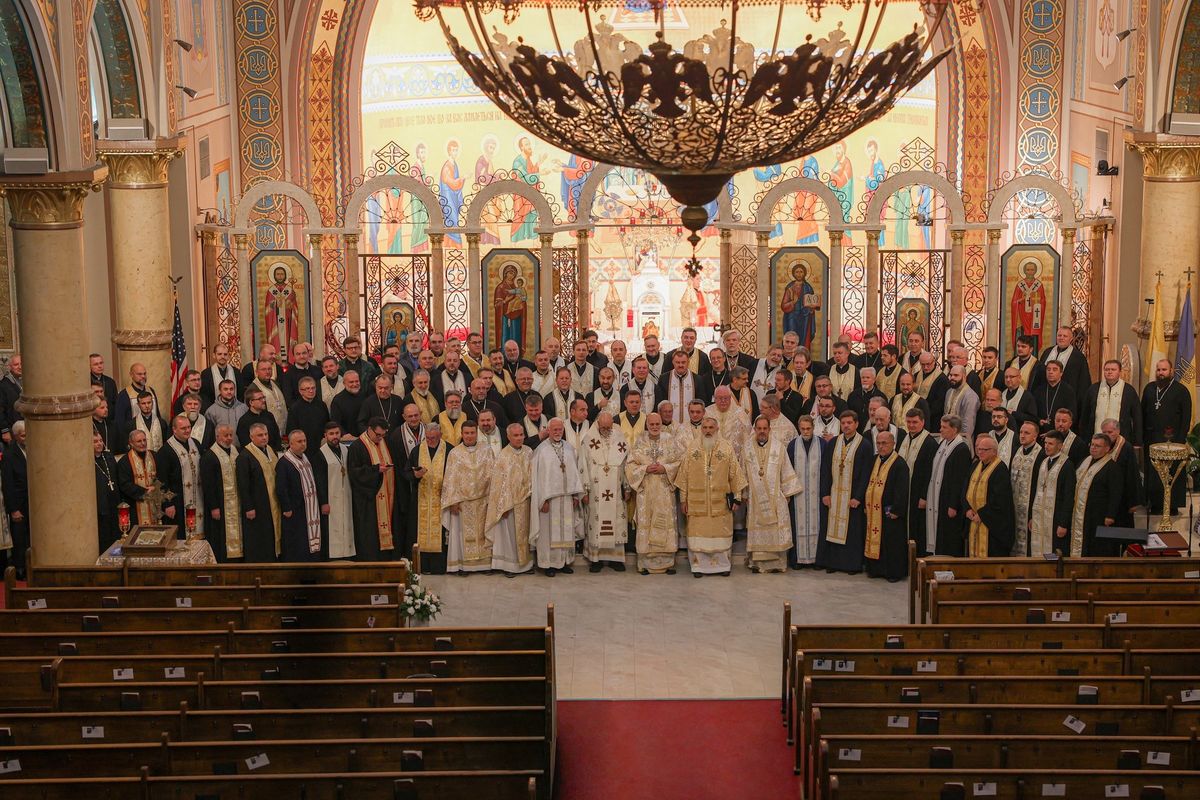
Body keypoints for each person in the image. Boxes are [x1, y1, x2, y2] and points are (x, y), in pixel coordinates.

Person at [676, 416, 747, 577]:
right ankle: (698, 567)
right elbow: (684, 476)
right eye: (705, 428)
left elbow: (735, 474)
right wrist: (683, 499)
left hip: (720, 503)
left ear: (717, 429)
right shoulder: (692, 447)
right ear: (701, 429)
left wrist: (737, 497)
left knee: (720, 534)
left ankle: (722, 566)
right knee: (698, 534)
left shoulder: (726, 447)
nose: (708, 431)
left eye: (711, 428)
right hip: (697, 503)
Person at [815, 410, 874, 574]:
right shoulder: (834, 442)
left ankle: (851, 565)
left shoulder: (865, 445)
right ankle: (833, 563)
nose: (846, 426)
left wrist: (858, 497)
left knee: (852, 531)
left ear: (856, 424)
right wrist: (825, 493)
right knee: (831, 528)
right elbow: (825, 469)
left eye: (849, 423)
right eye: (843, 423)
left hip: (852, 498)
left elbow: (866, 475)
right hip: (834, 495)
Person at [743, 416, 804, 573]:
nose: (762, 431)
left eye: (765, 428)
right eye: (759, 428)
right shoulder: (747, 448)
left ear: (770, 429)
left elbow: (786, 470)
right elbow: (742, 474)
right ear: (755, 429)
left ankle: (777, 564)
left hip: (776, 498)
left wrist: (787, 492)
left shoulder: (779, 447)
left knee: (776, 531)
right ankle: (757, 564)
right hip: (755, 498)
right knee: (758, 530)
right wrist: (742, 494)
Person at [626, 414, 680, 575]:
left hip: (664, 490)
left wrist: (665, 469)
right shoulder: (640, 440)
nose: (655, 426)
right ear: (647, 424)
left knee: (664, 523)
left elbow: (679, 461)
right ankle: (644, 564)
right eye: (652, 424)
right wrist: (644, 469)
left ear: (662, 424)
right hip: (647, 490)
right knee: (647, 524)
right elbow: (630, 464)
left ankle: (668, 563)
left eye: (657, 424)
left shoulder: (670, 439)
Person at [437, 420, 493, 574]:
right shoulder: (455, 453)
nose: (469, 436)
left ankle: (485, 565)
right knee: (461, 535)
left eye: (472, 433)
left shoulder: (487, 450)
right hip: (462, 503)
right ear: (462, 434)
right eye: (466, 433)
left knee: (483, 533)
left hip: (483, 501)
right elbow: (450, 478)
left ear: (477, 433)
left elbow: (492, 474)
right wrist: (453, 501)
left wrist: (491, 499)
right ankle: (462, 566)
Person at [529, 418, 584, 576]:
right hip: (549, 501)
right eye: (554, 429)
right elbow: (539, 478)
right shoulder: (541, 450)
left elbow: (574, 473)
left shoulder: (569, 448)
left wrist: (575, 496)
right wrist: (542, 500)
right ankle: (549, 564)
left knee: (566, 530)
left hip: (566, 499)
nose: (558, 432)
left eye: (560, 429)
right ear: (548, 430)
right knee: (548, 533)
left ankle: (564, 562)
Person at [1141, 358, 1192, 514]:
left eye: (1164, 370)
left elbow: (1185, 418)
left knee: (1171, 474)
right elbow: (1143, 413)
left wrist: (1180, 440)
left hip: (1173, 441)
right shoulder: (1149, 388)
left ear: (1171, 372)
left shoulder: (1181, 391)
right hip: (1152, 438)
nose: (1160, 373)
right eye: (1158, 370)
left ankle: (1172, 506)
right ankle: (1154, 503)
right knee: (1154, 473)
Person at [581, 412, 630, 571]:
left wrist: (627, 487)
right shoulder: (588, 440)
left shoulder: (619, 438)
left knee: (617, 521)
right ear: (597, 424)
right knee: (596, 522)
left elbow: (626, 465)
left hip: (615, 489)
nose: (606, 430)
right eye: (603, 427)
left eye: (609, 427)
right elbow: (583, 466)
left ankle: (615, 560)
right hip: (596, 490)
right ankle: (596, 560)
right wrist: (584, 490)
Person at [485, 424, 535, 575]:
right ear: (508, 437)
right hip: (509, 504)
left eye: (521, 435)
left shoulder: (529, 452)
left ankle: (525, 565)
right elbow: (497, 484)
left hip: (525, 500)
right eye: (516, 435)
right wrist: (502, 506)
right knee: (510, 536)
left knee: (524, 534)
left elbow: (533, 474)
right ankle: (509, 566)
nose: (519, 438)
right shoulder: (503, 456)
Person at [347, 418, 397, 561]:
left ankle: (387, 558)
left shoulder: (384, 443)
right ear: (369, 429)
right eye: (378, 434)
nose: (380, 438)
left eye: (383, 435)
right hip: (368, 498)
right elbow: (355, 472)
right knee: (370, 533)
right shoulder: (357, 446)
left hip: (386, 495)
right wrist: (376, 470)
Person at [863, 430, 909, 582]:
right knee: (876, 539)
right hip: (874, 510)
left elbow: (902, 490)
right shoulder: (874, 460)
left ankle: (893, 572)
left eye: (884, 443)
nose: (881, 447)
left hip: (890, 511)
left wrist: (897, 509)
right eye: (879, 443)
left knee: (891, 542)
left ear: (893, 444)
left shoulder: (900, 464)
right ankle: (875, 569)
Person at [923, 415, 972, 556]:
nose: (940, 430)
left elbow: (960, 480)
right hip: (938, 496)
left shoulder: (961, 449)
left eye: (944, 427)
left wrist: (954, 505)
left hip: (949, 501)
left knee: (949, 535)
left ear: (954, 429)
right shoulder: (943, 443)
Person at [1070, 433, 1124, 556]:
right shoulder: (1085, 461)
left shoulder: (1112, 467)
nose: (1093, 448)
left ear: (1107, 449)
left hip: (1098, 514)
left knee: (1095, 545)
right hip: (1081, 512)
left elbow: (1115, 493)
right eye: (1092, 444)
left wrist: (1110, 515)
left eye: (1097, 446)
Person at [407, 423, 450, 573]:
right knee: (420, 533)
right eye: (428, 437)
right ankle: (423, 566)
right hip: (421, 501)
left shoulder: (449, 450)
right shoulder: (417, 450)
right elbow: (406, 473)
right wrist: (415, 475)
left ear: (440, 435)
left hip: (442, 500)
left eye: (433, 438)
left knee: (442, 535)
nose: (430, 440)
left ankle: (439, 567)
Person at [235, 422, 281, 562]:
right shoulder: (245, 456)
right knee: (259, 536)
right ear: (251, 437)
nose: (264, 438)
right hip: (257, 504)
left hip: (272, 502)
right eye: (260, 435)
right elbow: (243, 484)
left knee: (271, 533)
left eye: (266, 434)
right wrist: (249, 507)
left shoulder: (270, 450)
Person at [276, 430, 325, 562]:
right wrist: (287, 508)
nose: (303, 444)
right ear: (290, 443)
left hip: (309, 508)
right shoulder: (284, 463)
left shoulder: (305, 457)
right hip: (295, 510)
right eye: (299, 441)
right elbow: (281, 488)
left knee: (308, 540)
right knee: (298, 541)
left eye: (304, 441)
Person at [963, 435, 1015, 557]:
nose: (980, 452)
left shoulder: (1000, 469)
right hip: (973, 519)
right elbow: (965, 489)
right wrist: (967, 509)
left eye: (984, 449)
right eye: (979, 449)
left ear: (994, 451)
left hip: (991, 525)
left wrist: (982, 514)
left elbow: (1000, 499)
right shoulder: (975, 465)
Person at [1028, 429, 1076, 557]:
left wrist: (1063, 523)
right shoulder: (1044, 462)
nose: (1046, 446)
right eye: (1045, 443)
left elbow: (1068, 497)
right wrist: (1033, 516)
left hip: (1056, 519)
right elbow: (1037, 490)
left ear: (1060, 446)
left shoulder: (1067, 466)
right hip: (1040, 516)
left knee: (1055, 552)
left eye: (1050, 444)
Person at [200, 424, 243, 562]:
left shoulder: (236, 451)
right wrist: (214, 507)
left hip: (236, 502)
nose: (229, 438)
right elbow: (208, 485)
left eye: (231, 435)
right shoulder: (209, 456)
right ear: (217, 436)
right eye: (226, 435)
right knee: (221, 534)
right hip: (220, 504)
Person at [898, 408, 938, 553]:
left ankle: (917, 559)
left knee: (918, 526)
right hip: (904, 491)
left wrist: (924, 496)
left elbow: (930, 473)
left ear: (922, 422)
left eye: (915, 422)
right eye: (908, 422)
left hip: (919, 493)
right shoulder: (905, 438)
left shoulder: (929, 443)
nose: (911, 425)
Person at [787, 416, 825, 568]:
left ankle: (817, 559)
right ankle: (798, 559)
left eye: (808, 428)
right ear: (798, 428)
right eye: (802, 429)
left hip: (817, 494)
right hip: (798, 494)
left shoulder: (822, 444)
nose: (805, 431)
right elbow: (787, 470)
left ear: (813, 427)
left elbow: (826, 470)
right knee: (797, 524)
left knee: (818, 525)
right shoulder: (792, 445)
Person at [158, 415, 204, 539]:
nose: (187, 430)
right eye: (183, 428)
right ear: (174, 429)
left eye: (189, 427)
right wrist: (167, 504)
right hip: (177, 501)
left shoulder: (196, 444)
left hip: (198, 498)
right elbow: (161, 481)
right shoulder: (165, 451)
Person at [1082, 359, 1142, 443]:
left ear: (1120, 372)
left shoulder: (1128, 390)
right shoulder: (1094, 389)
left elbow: (1137, 417)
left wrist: (1137, 440)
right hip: (1097, 437)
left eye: (1113, 369)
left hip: (1121, 438)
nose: (1109, 372)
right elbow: (1085, 415)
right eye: (1107, 369)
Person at [1008, 420, 1043, 556]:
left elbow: (1040, 486)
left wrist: (1035, 515)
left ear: (1035, 436)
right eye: (1021, 432)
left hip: (1030, 509)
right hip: (1014, 505)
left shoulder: (1040, 455)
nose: (1022, 435)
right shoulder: (1017, 451)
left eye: (1026, 433)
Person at [117, 429, 159, 526]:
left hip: (155, 503)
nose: (143, 443)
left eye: (144, 440)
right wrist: (144, 491)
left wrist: (156, 487)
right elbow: (124, 484)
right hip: (135, 506)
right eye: (139, 441)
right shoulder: (124, 462)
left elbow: (162, 476)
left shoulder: (154, 456)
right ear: (131, 443)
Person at [1041, 326, 1092, 400]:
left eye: (1065, 336)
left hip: (1067, 397)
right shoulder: (1047, 352)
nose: (1061, 338)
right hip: (1046, 395)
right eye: (1059, 335)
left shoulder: (1078, 358)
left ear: (1071, 339)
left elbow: (1083, 384)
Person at [285, 376, 330, 460]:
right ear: (300, 391)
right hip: (304, 450)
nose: (311, 391)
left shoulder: (322, 405)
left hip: (321, 447)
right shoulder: (295, 408)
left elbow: (327, 425)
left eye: (313, 388)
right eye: (307, 388)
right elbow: (292, 431)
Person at [94, 432, 121, 553]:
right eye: (95, 441)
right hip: (101, 507)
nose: (99, 443)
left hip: (114, 503)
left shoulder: (108, 456)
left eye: (100, 440)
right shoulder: (87, 461)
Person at [656, 350, 700, 423]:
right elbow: (660, 403)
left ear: (688, 362)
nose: (680, 365)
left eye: (683, 362)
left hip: (691, 424)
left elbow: (701, 403)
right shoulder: (664, 379)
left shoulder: (697, 379)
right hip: (669, 424)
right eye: (677, 362)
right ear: (673, 362)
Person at [114, 362, 158, 432]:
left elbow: (157, 413)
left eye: (144, 373)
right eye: (139, 374)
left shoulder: (151, 391)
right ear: (131, 375)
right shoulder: (124, 395)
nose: (143, 376)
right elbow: (120, 422)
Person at [1036, 359, 1077, 435]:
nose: (1050, 372)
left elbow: (1071, 414)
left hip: (1060, 433)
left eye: (1054, 370)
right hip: (1041, 431)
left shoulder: (1068, 390)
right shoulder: (1039, 390)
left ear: (1061, 373)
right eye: (1048, 369)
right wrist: (1039, 420)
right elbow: (1034, 412)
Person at [942, 366, 981, 444]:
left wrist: (961, 441)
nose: (952, 378)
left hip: (961, 440)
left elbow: (968, 424)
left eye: (956, 375)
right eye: (951, 375)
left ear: (964, 376)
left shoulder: (970, 396)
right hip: (947, 437)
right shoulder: (949, 392)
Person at [248, 359, 287, 432]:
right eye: (263, 369)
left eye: (269, 369)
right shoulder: (253, 388)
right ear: (257, 372)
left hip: (282, 427)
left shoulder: (275, 383)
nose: (267, 372)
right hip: (266, 430)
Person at [206, 380, 248, 445]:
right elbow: (210, 435)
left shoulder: (244, 408)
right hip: (221, 450)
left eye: (231, 389)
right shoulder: (211, 411)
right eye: (225, 389)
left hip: (242, 448)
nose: (229, 392)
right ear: (220, 391)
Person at [330, 369, 366, 439]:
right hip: (347, 439)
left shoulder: (364, 396)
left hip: (365, 437)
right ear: (344, 383)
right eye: (351, 382)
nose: (355, 384)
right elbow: (336, 422)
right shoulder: (337, 400)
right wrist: (345, 434)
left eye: (357, 381)